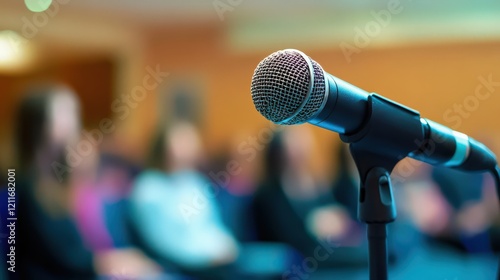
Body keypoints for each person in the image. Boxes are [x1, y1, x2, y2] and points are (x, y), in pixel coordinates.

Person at [128, 121, 239, 278]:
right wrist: (206, 257)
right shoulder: (148, 188)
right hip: (178, 265)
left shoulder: (195, 181)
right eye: (181, 142)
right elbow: (162, 242)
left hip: (214, 262)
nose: (188, 148)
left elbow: (212, 225)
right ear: (164, 147)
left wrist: (227, 247)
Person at [252, 127, 368, 269]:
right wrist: (315, 226)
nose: (302, 150)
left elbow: (334, 214)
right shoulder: (268, 194)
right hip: (295, 258)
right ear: (280, 152)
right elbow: (285, 235)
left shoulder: (316, 184)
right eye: (295, 146)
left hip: (324, 248)